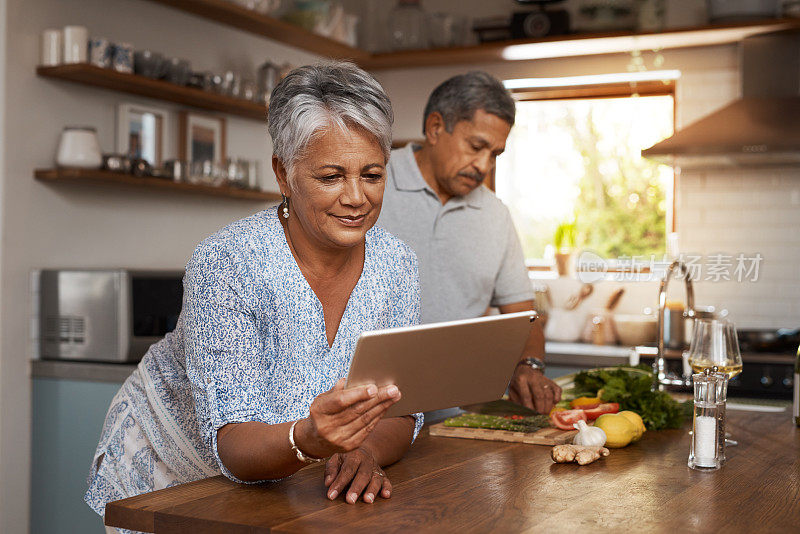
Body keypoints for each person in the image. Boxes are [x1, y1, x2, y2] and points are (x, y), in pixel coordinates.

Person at [84, 62, 424, 529]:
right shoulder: (229, 262)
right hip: (176, 473)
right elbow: (235, 444)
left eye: (371, 174)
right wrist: (311, 439)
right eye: (330, 177)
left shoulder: (398, 266)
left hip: (291, 484)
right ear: (284, 175)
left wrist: (363, 450)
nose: (356, 197)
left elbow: (402, 411)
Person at [378, 71, 561, 414]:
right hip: (369, 417)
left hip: (456, 422)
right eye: (476, 147)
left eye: (495, 154)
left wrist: (530, 366)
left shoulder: (495, 215)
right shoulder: (372, 183)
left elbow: (524, 318)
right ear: (435, 128)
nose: (483, 165)